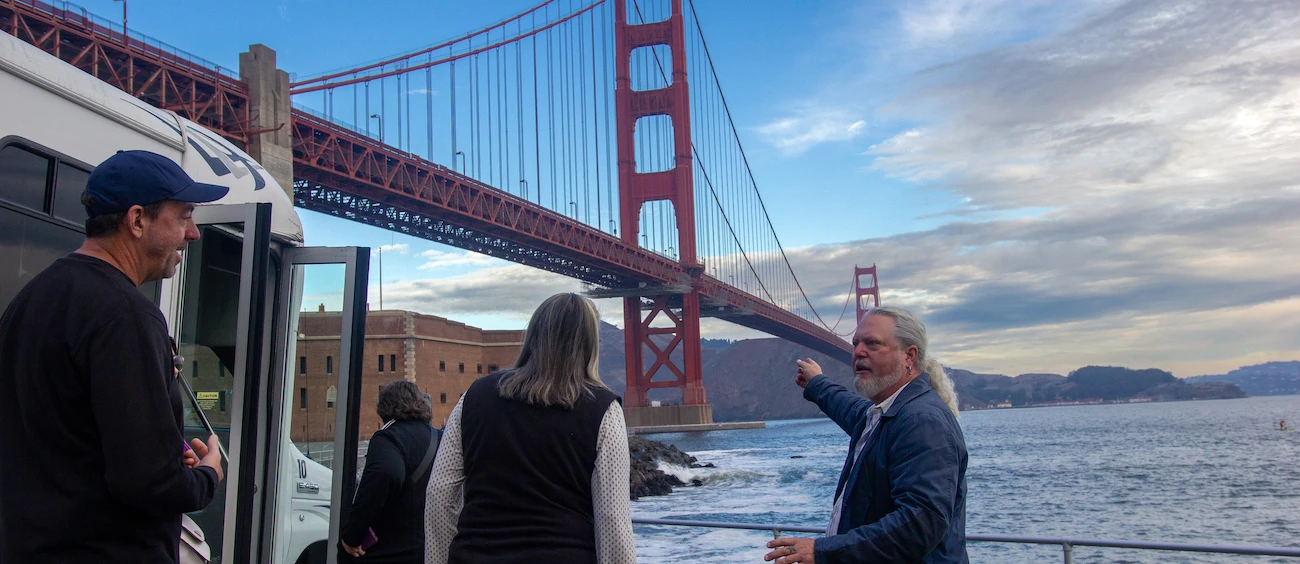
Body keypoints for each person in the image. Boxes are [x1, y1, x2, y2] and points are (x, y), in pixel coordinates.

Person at [0, 150, 228, 562]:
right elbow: (150, 484)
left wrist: (161, 451)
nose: (193, 233)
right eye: (184, 215)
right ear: (137, 219)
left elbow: (65, 439)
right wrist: (207, 475)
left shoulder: (30, 300)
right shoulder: (127, 316)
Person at [425, 293, 636, 564]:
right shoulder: (604, 410)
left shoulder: (473, 397)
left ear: (533, 335)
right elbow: (612, 519)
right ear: (589, 344)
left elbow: (439, 495)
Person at [766, 306, 968, 564]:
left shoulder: (922, 421)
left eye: (872, 343)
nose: (858, 351)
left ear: (909, 356)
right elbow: (850, 408)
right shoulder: (885, 415)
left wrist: (822, 552)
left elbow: (919, 525)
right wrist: (817, 384)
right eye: (856, 343)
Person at [339, 381, 441, 562]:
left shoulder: (388, 437)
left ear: (385, 407)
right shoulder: (438, 437)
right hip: (427, 549)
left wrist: (352, 535)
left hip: (389, 550)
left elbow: (385, 472)